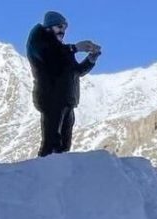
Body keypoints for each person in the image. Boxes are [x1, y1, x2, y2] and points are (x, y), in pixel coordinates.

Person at [26, 11, 101, 157]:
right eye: (59, 26)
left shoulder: (61, 50)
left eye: (64, 28)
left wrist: (91, 59)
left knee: (64, 144)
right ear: (49, 26)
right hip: (51, 97)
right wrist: (74, 48)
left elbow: (76, 71)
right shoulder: (38, 41)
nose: (63, 31)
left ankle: (61, 174)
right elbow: (49, 54)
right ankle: (43, 173)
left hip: (67, 100)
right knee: (51, 141)